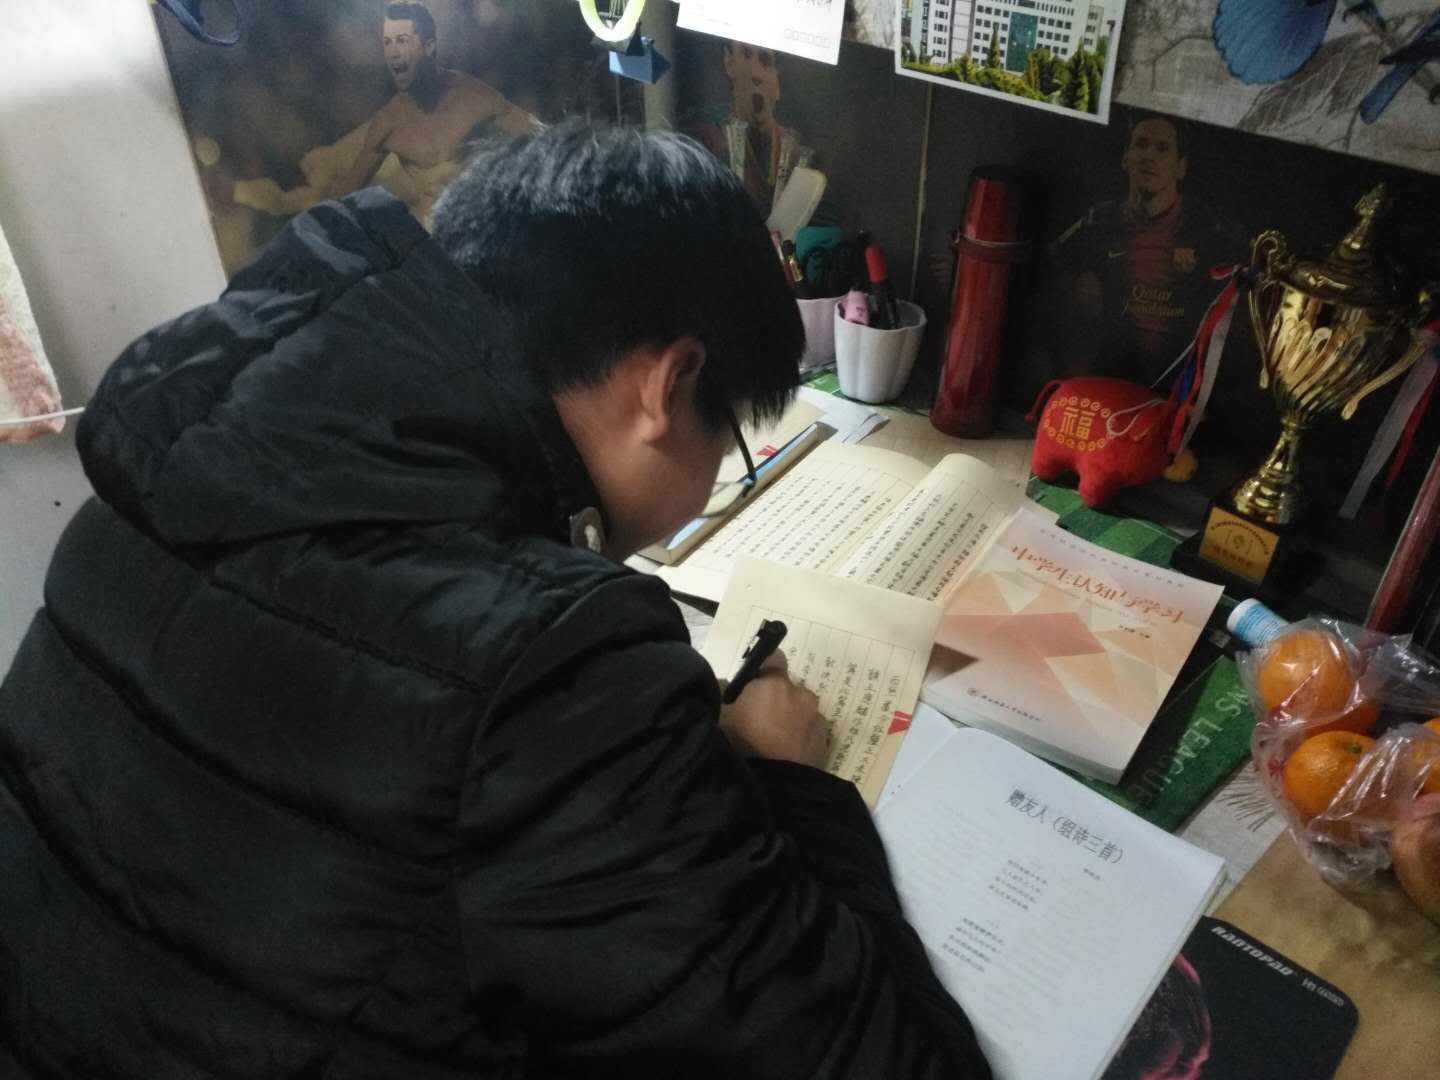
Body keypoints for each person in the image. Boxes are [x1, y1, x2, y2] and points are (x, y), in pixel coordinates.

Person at [0, 123, 991, 1078]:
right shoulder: (556, 682)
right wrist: (792, 785)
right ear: (669, 385)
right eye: (730, 441)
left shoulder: (160, 466)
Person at [1045, 113, 1248, 387]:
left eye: (1162, 148)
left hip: (1183, 386)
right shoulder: (1099, 222)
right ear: (1125, 157)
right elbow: (1051, 272)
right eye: (1141, 144)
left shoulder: (1211, 230)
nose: (1149, 156)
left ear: (1181, 167)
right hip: (1111, 378)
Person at [330, 1, 537, 220]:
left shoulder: (472, 95)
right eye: (387, 43)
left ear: (428, 47)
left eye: (402, 41)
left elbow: (540, 134)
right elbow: (342, 198)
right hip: (434, 227)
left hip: (486, 220)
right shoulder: (386, 123)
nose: (393, 53)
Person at [686, 40, 811, 211]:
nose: (756, 73)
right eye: (746, 54)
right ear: (729, 62)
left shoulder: (792, 148)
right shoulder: (705, 139)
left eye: (766, 60)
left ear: (777, 80)